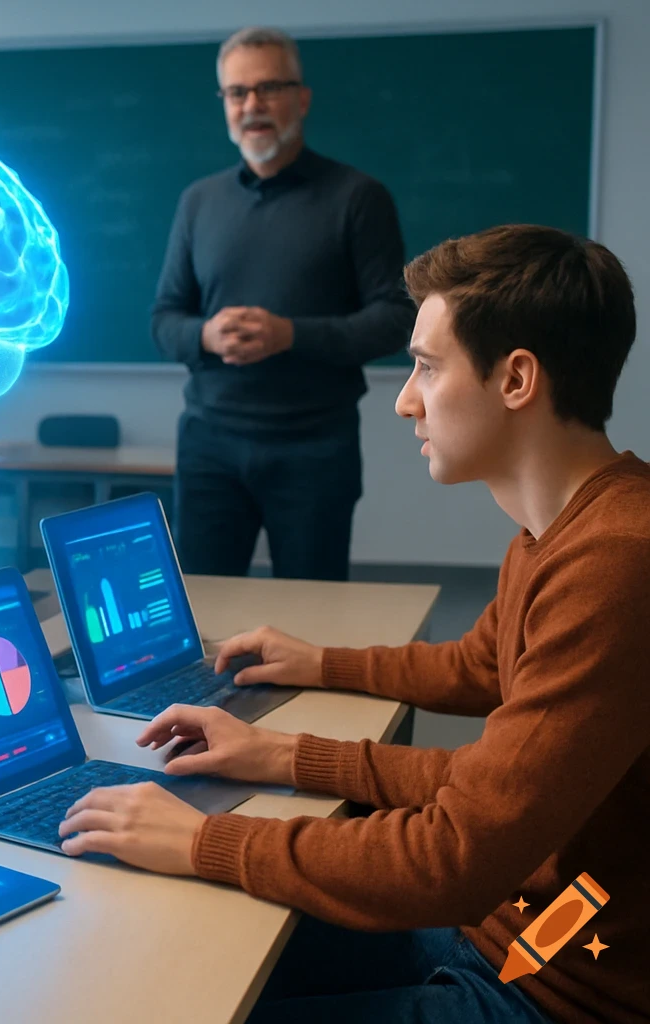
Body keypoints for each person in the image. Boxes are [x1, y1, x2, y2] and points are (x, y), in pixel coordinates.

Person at [62, 225, 647, 1023]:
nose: (406, 397)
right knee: (156, 954)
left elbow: (457, 854)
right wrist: (281, 746)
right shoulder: (564, 531)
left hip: (556, 993)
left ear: (516, 379)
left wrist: (204, 843)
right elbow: (482, 702)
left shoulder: (617, 563)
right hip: (511, 938)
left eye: (427, 367)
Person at [151, 26, 415, 581]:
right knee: (201, 609)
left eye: (269, 88)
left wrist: (289, 335)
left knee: (313, 621)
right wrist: (206, 336)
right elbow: (164, 320)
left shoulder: (357, 197)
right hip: (209, 446)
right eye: (236, 92)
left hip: (315, 447)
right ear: (223, 102)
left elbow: (396, 319)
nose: (252, 105)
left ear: (302, 97)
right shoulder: (198, 201)